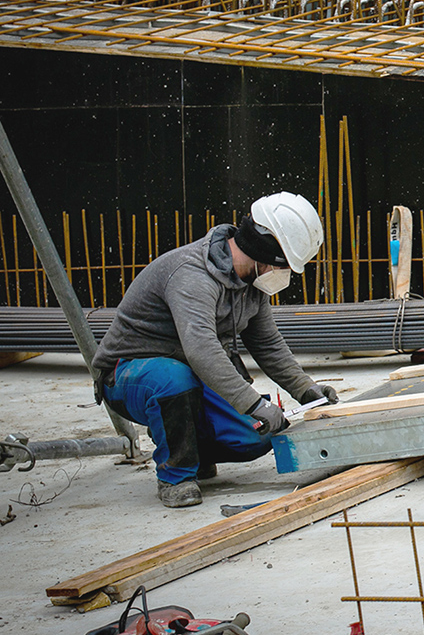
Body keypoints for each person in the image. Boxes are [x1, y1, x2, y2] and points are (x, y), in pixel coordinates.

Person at [92, 192, 340, 508]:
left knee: (256, 435)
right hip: (129, 374)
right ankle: (176, 476)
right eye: (285, 266)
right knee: (173, 379)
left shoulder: (253, 285)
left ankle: (194, 452)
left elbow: (268, 345)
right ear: (263, 252)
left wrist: (307, 392)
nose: (285, 276)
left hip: (189, 373)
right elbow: (202, 350)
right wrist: (253, 403)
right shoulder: (191, 274)